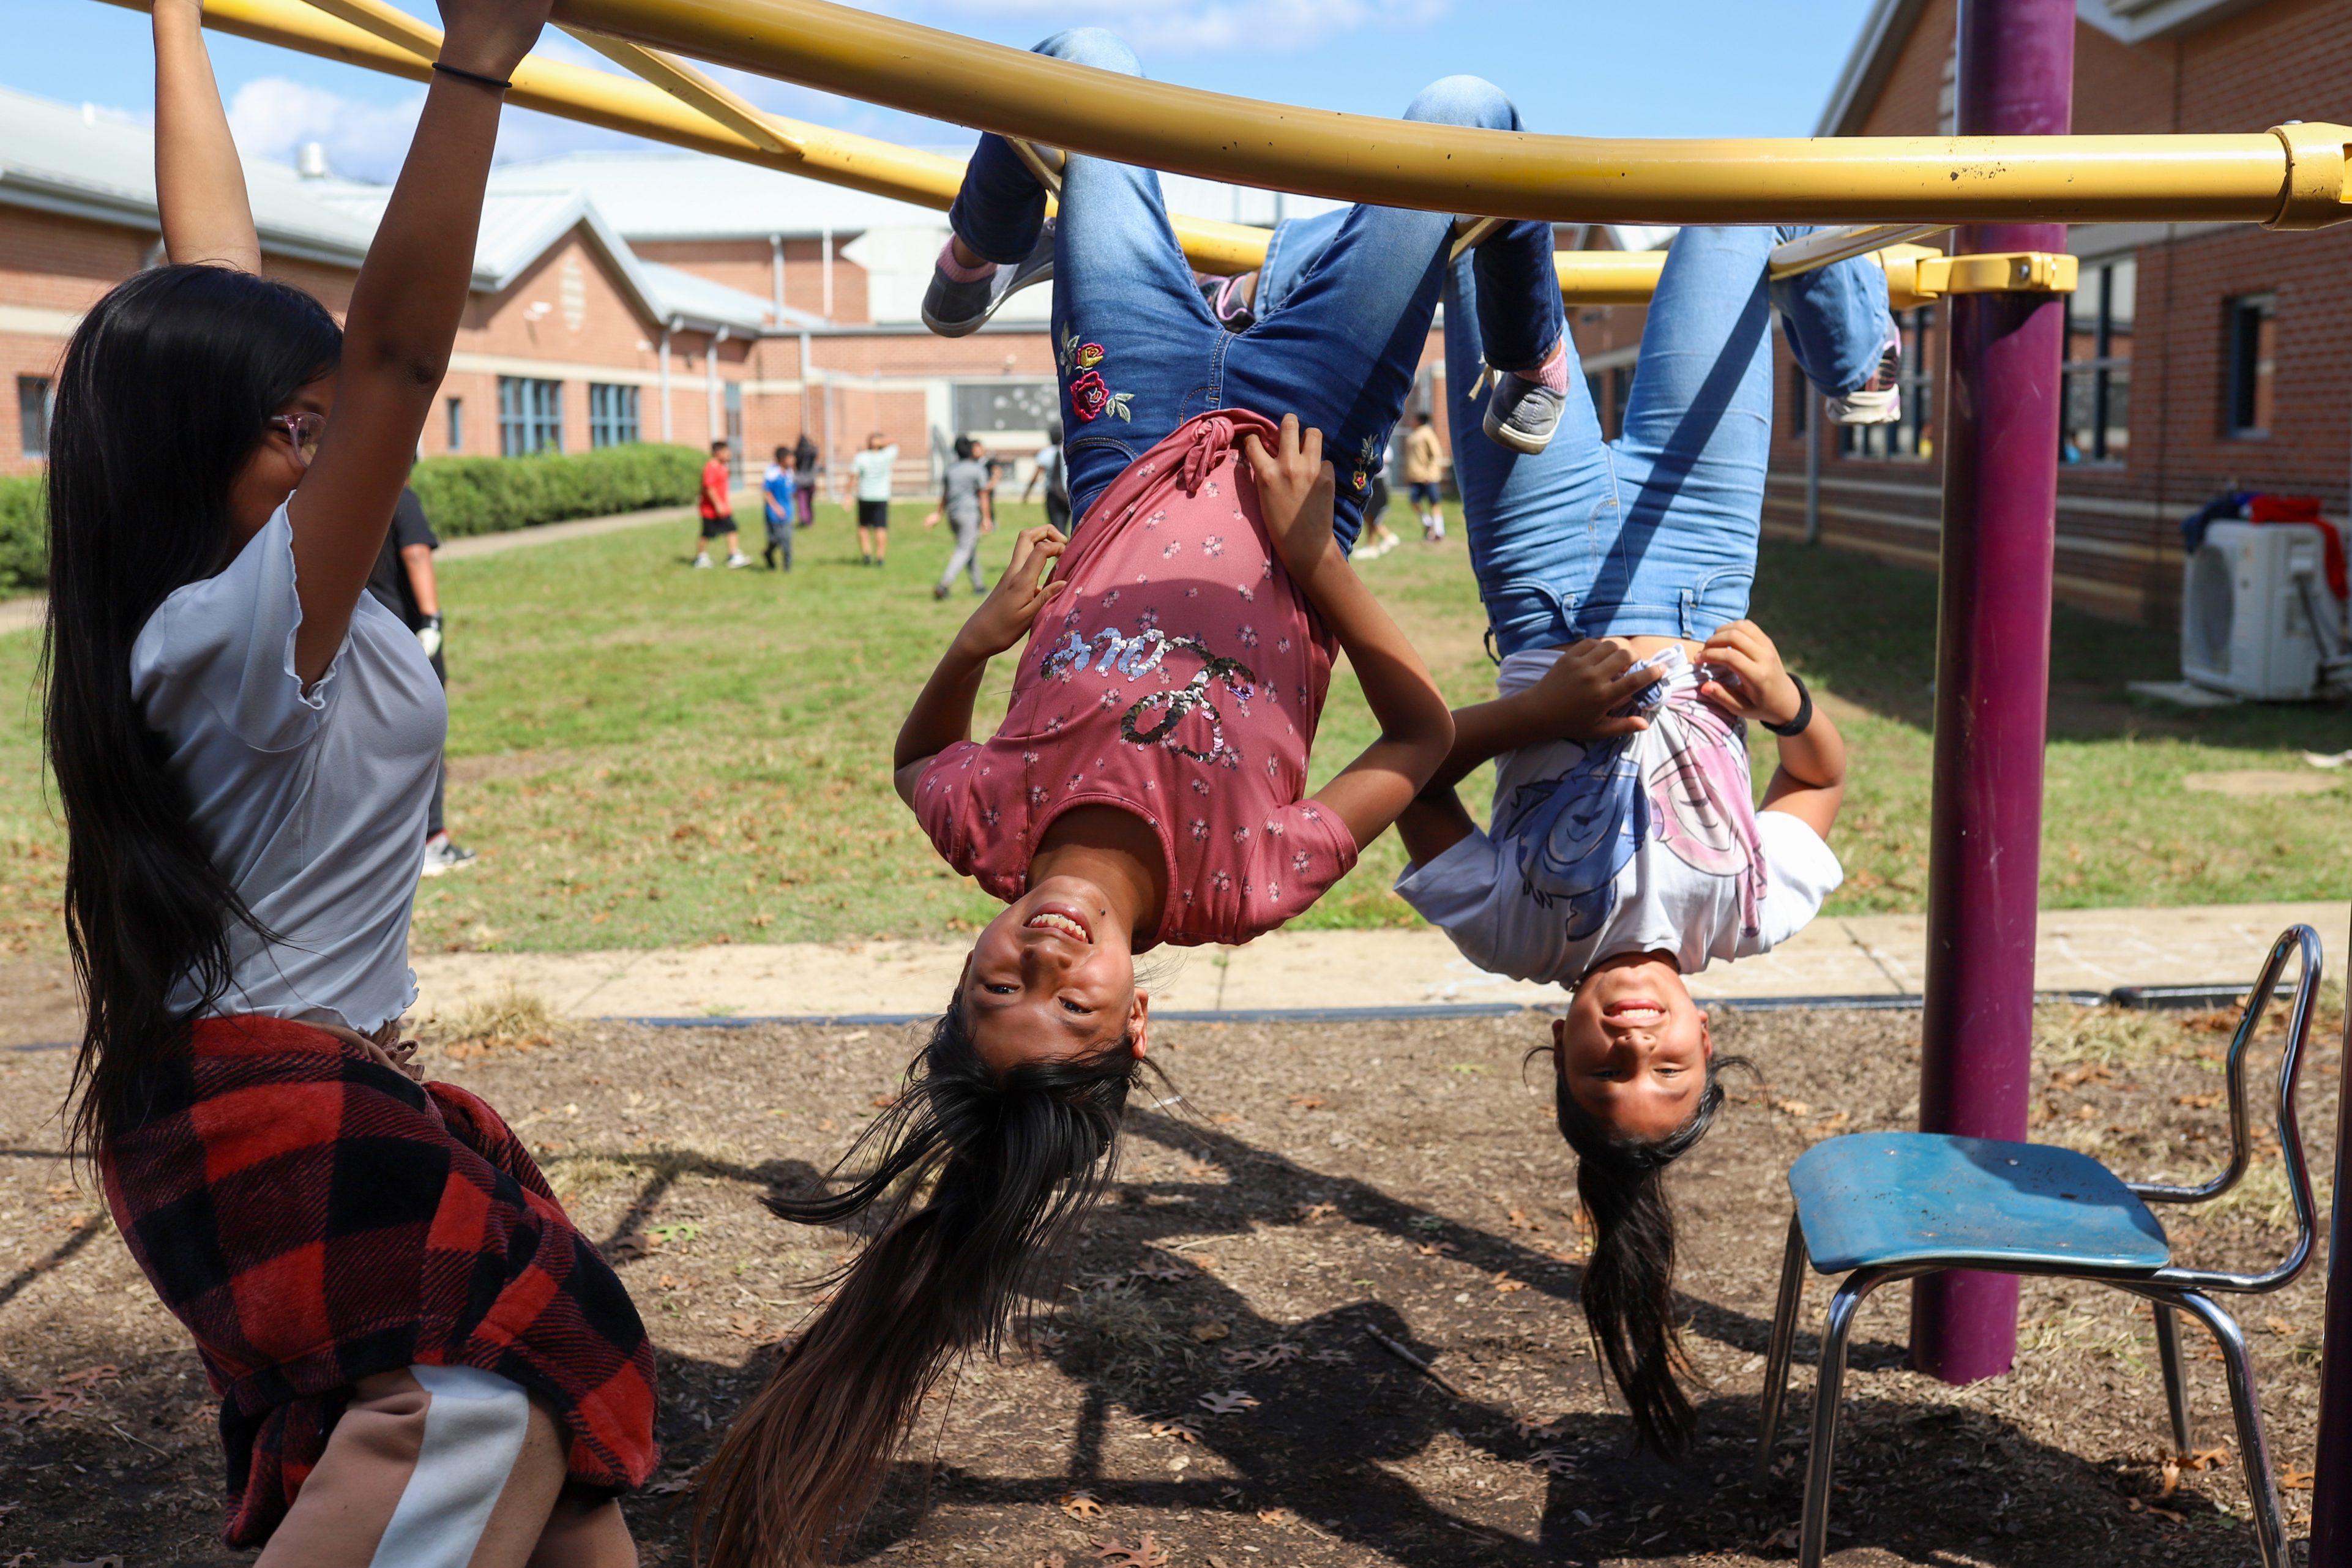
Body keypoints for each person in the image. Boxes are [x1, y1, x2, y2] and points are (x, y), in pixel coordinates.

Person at [696, 34, 1585, 1566]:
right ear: (1136, 1016)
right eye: (1075, 997)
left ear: (967, 965)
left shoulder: (984, 830)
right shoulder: (1249, 878)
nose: (1044, 954)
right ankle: (1524, 355)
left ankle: (981, 250)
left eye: (1002, 982)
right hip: (1312, 440)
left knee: (1074, 71)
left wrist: (972, 647)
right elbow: (1426, 733)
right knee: (1466, 118)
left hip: (1126, 430)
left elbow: (915, 760)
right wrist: (1315, 561)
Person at [44, 1, 655, 1561]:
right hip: (268, 1102)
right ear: (201, 457)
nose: (339, 455)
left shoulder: (260, 608)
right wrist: (474, 66)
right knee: (468, 1403)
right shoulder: (231, 637)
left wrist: (176, 21)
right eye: (297, 434)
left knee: (561, 1442)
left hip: (300, 1086)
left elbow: (222, 276)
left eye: (331, 429)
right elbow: (391, 350)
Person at [1390, 224, 1892, 1455]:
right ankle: (1858, 347)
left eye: (1600, 1071)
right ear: (1705, 1039)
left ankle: (1525, 309)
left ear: (1556, 1047)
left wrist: (1536, 715)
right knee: (1732, 203)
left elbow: (1411, 776)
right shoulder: (1747, 916)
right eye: (1664, 1069)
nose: (1632, 1044)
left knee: (1468, 163)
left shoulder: (1511, 935)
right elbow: (1819, 781)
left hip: (1542, 568)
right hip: (1706, 554)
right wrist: (1788, 707)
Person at [362, 482, 476, 875]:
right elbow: (415, 553)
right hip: (407, 641)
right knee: (424, 740)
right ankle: (429, 841)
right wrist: (431, 619)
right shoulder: (400, 496)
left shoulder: (339, 495)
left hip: (360, 637)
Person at [925, 433, 993, 599]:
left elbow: (945, 495)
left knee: (969, 548)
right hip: (969, 514)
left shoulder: (950, 470)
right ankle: (944, 584)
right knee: (964, 549)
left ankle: (978, 585)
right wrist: (987, 518)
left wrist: (938, 514)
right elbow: (983, 495)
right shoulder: (977, 469)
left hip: (953, 515)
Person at [695, 436, 746, 568]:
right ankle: (701, 557)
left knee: (732, 528)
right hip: (711, 509)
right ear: (718, 452)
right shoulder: (711, 467)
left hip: (722, 507)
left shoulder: (721, 467)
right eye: (727, 452)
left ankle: (733, 554)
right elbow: (709, 488)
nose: (729, 454)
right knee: (707, 533)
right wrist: (718, 504)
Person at [849, 430, 897, 567]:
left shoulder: (861, 457)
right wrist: (883, 442)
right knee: (880, 527)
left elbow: (853, 475)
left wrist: (848, 494)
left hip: (865, 496)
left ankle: (867, 554)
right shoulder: (887, 455)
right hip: (881, 496)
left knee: (863, 527)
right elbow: (895, 442)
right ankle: (880, 558)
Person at [1400, 409, 1447, 542]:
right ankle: (1428, 524)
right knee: (1414, 501)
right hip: (1415, 476)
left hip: (1428, 477)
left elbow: (1436, 455)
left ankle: (1439, 531)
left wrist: (1430, 474)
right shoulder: (1414, 435)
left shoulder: (1427, 434)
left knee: (1434, 503)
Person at [1023, 419, 1071, 534]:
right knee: (1066, 525)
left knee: (1057, 525)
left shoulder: (1045, 453)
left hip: (1053, 494)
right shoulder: (1068, 452)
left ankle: (1063, 549)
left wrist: (1028, 492)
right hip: (1068, 494)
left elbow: (1036, 475)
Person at [762, 444, 796, 570]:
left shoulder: (790, 472)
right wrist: (776, 508)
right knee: (775, 540)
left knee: (787, 539)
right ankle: (768, 553)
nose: (794, 460)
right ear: (783, 458)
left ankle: (787, 567)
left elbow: (791, 490)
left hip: (788, 511)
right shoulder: (772, 472)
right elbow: (767, 492)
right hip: (774, 513)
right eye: (791, 457)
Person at [792, 430, 820, 528]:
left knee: (802, 502)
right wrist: (813, 442)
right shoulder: (811, 453)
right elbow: (816, 451)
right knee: (809, 502)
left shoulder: (796, 453)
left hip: (800, 481)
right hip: (810, 480)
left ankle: (804, 519)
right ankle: (809, 520)